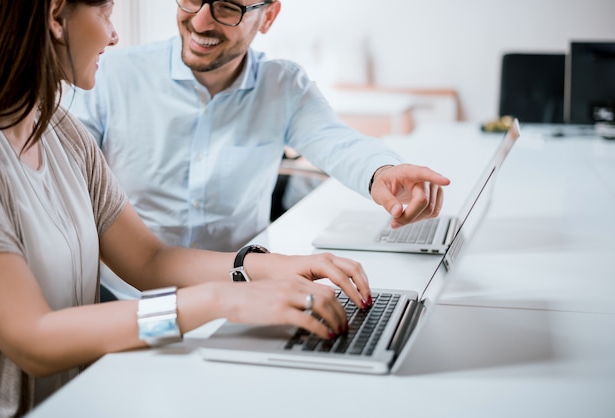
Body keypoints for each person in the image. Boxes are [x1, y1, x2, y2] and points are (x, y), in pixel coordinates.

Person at [0, 1, 376, 415]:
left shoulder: (63, 134)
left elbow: (149, 259)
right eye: (105, 14)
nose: (114, 35)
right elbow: (34, 340)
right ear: (56, 17)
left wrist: (263, 266)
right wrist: (221, 300)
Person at [65, 0, 451, 300]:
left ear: (268, 17)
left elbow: (338, 142)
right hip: (128, 299)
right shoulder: (111, 76)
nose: (200, 22)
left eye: (229, 8)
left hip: (243, 292)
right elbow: (69, 185)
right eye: (191, 1)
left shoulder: (282, 86)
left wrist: (382, 172)